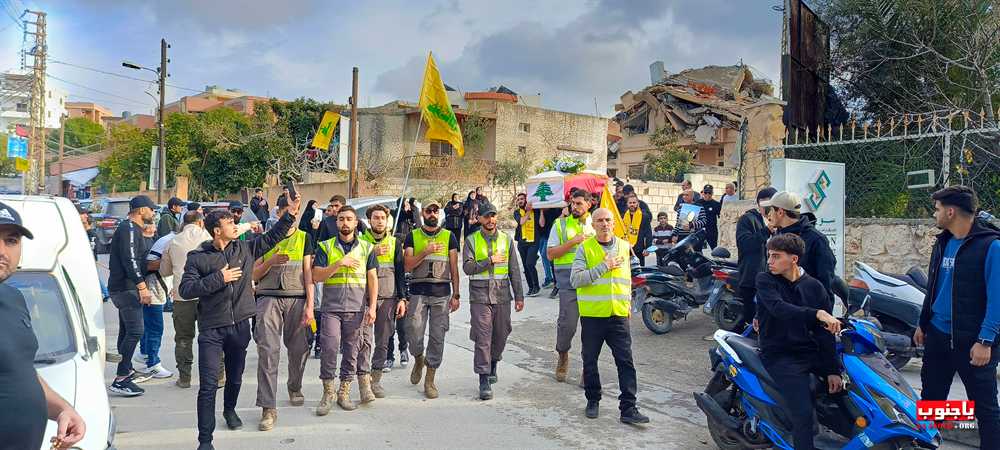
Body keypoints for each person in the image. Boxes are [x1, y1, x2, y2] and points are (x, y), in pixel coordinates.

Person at [179, 194, 301, 450]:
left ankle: (230, 410)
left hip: (239, 326)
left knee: (235, 378)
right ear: (216, 230)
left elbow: (273, 236)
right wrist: (218, 279)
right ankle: (205, 440)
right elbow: (186, 289)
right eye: (229, 224)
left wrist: (290, 213)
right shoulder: (198, 257)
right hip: (212, 328)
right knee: (209, 385)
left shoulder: (244, 249)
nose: (236, 226)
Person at [915, 186, 999, 448]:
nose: (934, 213)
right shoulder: (942, 242)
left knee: (985, 408)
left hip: (973, 341)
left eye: (938, 209)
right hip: (938, 335)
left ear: (951, 211)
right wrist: (923, 323)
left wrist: (985, 340)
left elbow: (997, 299)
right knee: (931, 403)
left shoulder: (991, 246)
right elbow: (934, 287)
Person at [0, 202, 87, 450]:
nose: (2, 251)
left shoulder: (14, 299)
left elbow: (20, 370)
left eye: (11, 240)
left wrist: (62, 409)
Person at [755, 233, 843, 450]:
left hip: (808, 352)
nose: (769, 261)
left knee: (845, 395)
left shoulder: (814, 287)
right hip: (780, 354)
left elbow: (824, 333)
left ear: (794, 259)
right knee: (803, 413)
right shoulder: (765, 280)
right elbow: (779, 309)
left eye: (776, 256)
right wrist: (817, 314)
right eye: (769, 256)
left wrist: (833, 370)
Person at [569, 207, 649, 424]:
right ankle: (593, 399)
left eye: (608, 220)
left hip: (618, 316)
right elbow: (575, 280)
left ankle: (628, 408)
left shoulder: (625, 247)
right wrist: (603, 266)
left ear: (613, 223)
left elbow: (636, 279)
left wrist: (631, 307)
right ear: (593, 225)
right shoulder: (585, 249)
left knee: (626, 362)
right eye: (600, 221)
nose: (604, 224)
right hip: (593, 316)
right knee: (590, 361)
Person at [252, 194, 316, 431]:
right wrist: (271, 262)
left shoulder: (305, 238)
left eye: (296, 213)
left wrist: (310, 305)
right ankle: (268, 407)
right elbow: (253, 275)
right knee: (268, 352)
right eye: (288, 212)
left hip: (297, 299)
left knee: (299, 349)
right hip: (268, 299)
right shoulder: (264, 240)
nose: (293, 217)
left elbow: (309, 275)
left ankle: (294, 385)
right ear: (278, 214)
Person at [311, 205, 377, 414]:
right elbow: (316, 276)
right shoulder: (325, 246)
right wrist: (339, 263)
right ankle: (327, 392)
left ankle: (344, 391)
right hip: (331, 308)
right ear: (336, 222)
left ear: (356, 222)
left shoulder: (367, 248)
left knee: (351, 351)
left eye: (349, 219)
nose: (345, 223)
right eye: (341, 219)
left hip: (356, 308)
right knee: (329, 347)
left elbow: (373, 279)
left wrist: (372, 306)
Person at [463, 202, 525, 400]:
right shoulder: (471, 240)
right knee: (483, 335)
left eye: (493, 216)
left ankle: (493, 363)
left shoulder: (506, 240)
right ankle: (483, 378)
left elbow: (514, 269)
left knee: (502, 332)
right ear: (479, 219)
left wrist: (520, 295)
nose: (490, 220)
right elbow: (467, 268)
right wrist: (488, 261)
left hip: (502, 294)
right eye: (486, 217)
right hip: (480, 296)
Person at [160, 211, 228, 389]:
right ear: (200, 223)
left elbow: (164, 271)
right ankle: (219, 375)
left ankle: (184, 377)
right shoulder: (210, 237)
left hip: (183, 297)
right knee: (214, 336)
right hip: (211, 294)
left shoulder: (173, 241)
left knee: (183, 338)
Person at [403, 200, 461, 399]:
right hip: (418, 292)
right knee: (414, 334)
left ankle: (430, 378)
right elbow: (407, 265)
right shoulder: (413, 236)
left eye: (436, 211)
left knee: (438, 337)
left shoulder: (449, 237)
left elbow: (454, 268)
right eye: (429, 210)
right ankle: (418, 358)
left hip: (442, 294)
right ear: (423, 214)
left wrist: (456, 294)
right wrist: (425, 251)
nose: (432, 214)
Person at [107, 195, 158, 397]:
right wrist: (141, 286)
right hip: (125, 288)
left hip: (127, 288)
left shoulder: (136, 230)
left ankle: (125, 371)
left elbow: (139, 257)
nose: (153, 213)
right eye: (151, 209)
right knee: (136, 331)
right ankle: (120, 379)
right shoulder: (128, 228)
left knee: (126, 331)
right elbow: (130, 260)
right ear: (141, 210)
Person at [358, 205, 408, 398]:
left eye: (382, 218)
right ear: (369, 221)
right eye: (375, 217)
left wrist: (402, 298)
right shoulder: (361, 241)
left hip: (388, 297)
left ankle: (376, 379)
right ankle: (363, 381)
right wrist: (372, 254)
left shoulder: (395, 243)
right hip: (364, 299)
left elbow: (400, 272)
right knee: (363, 341)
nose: (379, 221)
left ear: (388, 221)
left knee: (383, 340)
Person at [547, 190, 593, 383]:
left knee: (592, 330)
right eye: (572, 203)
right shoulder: (560, 224)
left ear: (589, 204)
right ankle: (563, 354)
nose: (574, 207)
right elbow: (550, 254)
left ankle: (588, 368)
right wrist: (572, 242)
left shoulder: (599, 223)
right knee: (567, 325)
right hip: (568, 283)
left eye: (579, 203)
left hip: (592, 283)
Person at [762, 191, 837, 301]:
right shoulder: (777, 235)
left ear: (780, 212)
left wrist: (821, 314)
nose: (768, 215)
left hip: (805, 310)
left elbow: (825, 281)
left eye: (771, 210)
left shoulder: (816, 239)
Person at [133, 227, 176, 379]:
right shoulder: (170, 241)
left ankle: (144, 353)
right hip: (153, 289)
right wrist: (173, 263)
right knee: (155, 327)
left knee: (150, 325)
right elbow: (149, 264)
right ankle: (153, 364)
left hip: (159, 288)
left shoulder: (168, 239)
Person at [735, 187, 777, 328]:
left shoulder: (779, 221)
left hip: (771, 280)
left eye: (771, 204)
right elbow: (745, 244)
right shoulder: (747, 219)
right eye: (764, 204)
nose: (767, 208)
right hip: (751, 278)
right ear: (758, 204)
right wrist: (766, 231)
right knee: (749, 319)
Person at [514, 193, 541, 296]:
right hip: (522, 242)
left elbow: (541, 224)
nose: (520, 201)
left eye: (522, 199)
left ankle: (536, 286)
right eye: (518, 199)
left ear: (526, 200)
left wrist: (540, 211)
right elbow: (521, 221)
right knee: (526, 266)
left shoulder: (535, 211)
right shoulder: (517, 212)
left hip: (534, 241)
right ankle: (531, 288)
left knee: (530, 263)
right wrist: (528, 211)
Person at [622, 194, 652, 267]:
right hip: (626, 249)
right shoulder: (623, 216)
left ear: (638, 203)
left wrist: (648, 248)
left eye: (634, 203)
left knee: (638, 273)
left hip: (639, 250)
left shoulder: (644, 216)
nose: (632, 204)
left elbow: (648, 233)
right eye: (630, 203)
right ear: (627, 204)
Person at [697, 185, 722, 249]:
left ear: (712, 193)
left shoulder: (717, 204)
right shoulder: (698, 203)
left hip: (711, 230)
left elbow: (721, 217)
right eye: (705, 192)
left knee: (714, 248)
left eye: (709, 193)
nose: (707, 194)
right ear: (703, 193)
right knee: (697, 248)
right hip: (700, 229)